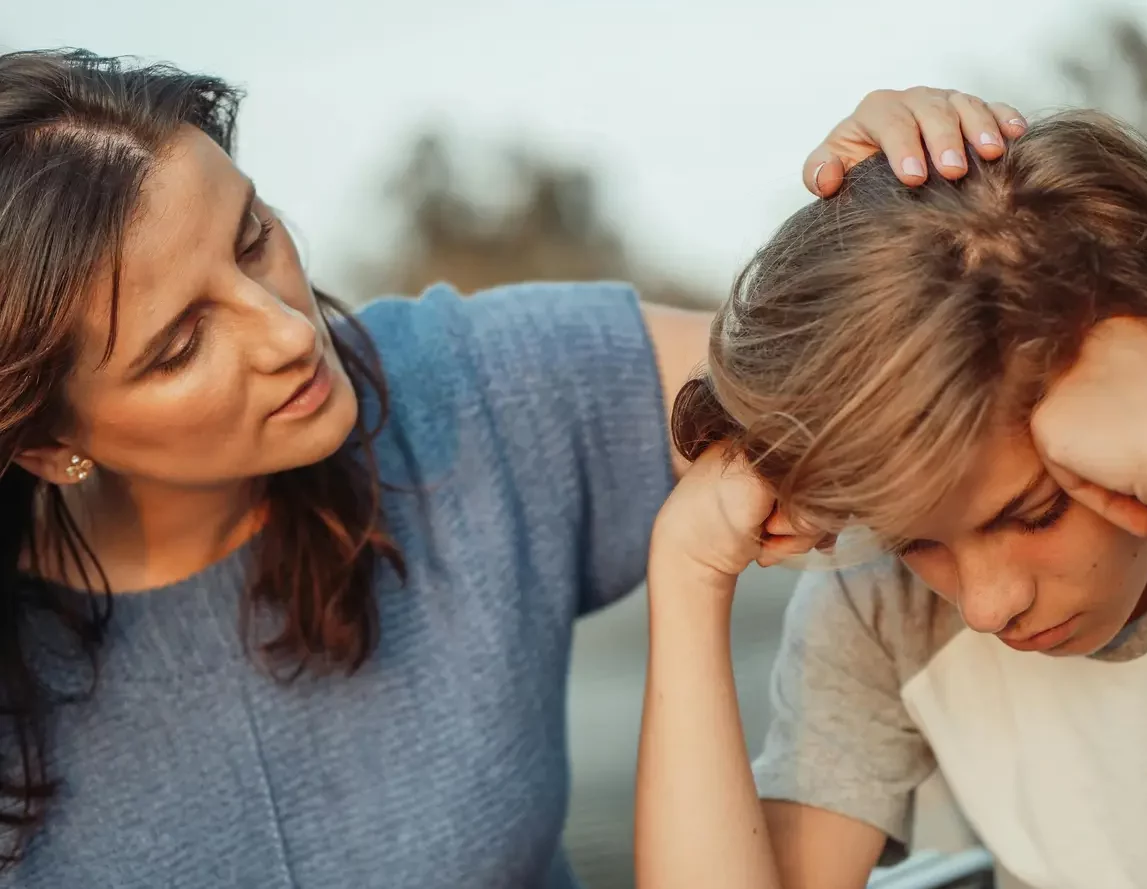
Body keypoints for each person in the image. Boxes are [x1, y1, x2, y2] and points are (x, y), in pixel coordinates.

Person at [0, 47, 1025, 888]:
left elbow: (883, 368)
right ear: (48, 443)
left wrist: (910, 219)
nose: (284, 333)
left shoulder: (474, 390)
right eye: (181, 344)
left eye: (254, 237)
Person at [636, 110, 1147, 889]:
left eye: (1033, 512)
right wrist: (687, 572)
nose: (985, 605)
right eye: (917, 542)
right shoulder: (880, 598)